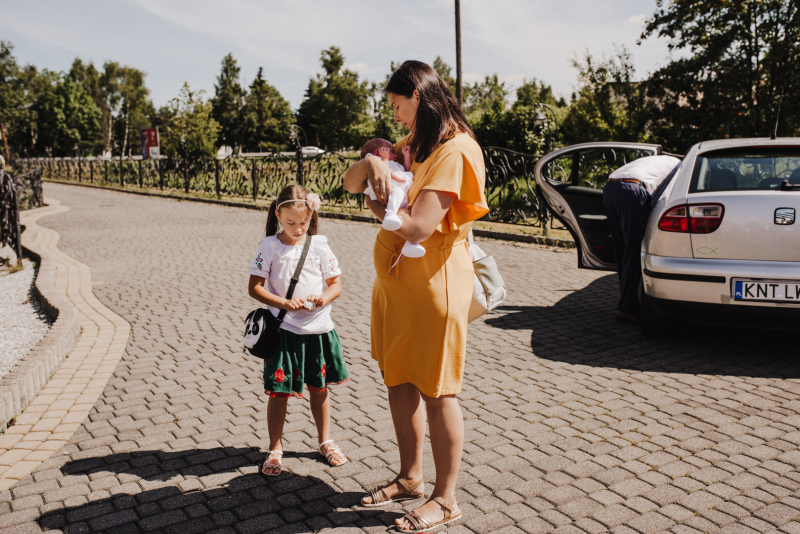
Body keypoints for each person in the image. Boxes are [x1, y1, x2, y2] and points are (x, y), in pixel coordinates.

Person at [344, 60, 489, 533]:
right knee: (400, 381)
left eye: (397, 104)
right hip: (397, 286)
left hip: (433, 284)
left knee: (438, 390)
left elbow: (418, 226)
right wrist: (370, 164)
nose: (394, 115)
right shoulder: (415, 146)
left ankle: (445, 499)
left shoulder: (456, 149)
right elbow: (350, 184)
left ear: (419, 97)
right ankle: (410, 478)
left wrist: (380, 200)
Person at [247, 184, 349, 476]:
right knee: (279, 392)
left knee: (320, 388)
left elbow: (336, 284)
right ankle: (275, 447)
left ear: (312, 216)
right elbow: (254, 287)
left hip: (318, 329)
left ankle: (325, 441)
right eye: (290, 222)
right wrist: (283, 303)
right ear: (278, 214)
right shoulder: (269, 246)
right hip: (284, 331)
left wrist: (322, 299)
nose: (298, 228)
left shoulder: (319, 245)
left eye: (304, 222)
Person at [603, 155, 681, 322]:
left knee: (622, 251)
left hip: (610, 187)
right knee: (635, 251)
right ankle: (627, 307)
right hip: (632, 189)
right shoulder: (680, 167)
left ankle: (626, 303)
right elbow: (670, 197)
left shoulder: (664, 160)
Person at [360, 138, 425, 258]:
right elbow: (384, 172)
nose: (395, 155)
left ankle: (412, 243)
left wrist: (406, 156)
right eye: (391, 152)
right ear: (378, 152)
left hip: (402, 193)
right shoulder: (377, 161)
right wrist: (385, 158)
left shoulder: (394, 163)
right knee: (398, 192)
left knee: (411, 212)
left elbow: (406, 171)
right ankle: (390, 214)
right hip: (390, 190)